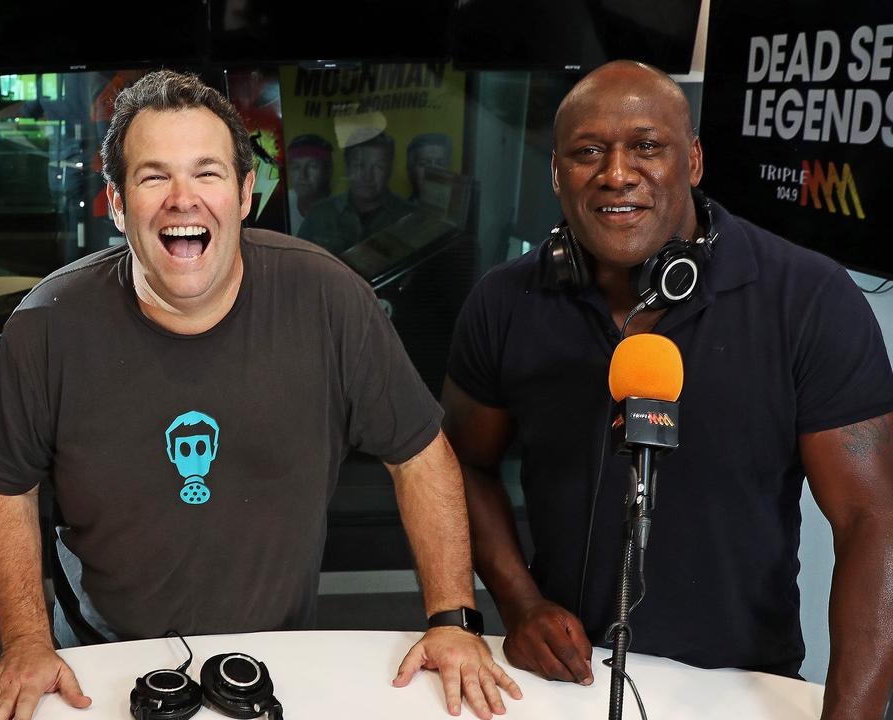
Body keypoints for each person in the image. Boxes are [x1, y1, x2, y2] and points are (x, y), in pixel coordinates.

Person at [0, 69, 521, 720]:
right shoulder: (47, 324)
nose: (183, 199)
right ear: (115, 202)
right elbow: (5, 484)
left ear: (245, 191)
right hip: (94, 664)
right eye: (153, 176)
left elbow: (421, 456)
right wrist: (27, 640)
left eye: (207, 172)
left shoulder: (330, 300)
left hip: (279, 659)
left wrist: (453, 619)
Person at [442, 60, 893, 719]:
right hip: (564, 682)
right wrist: (520, 602)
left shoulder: (808, 298)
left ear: (695, 160)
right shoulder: (505, 302)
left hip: (742, 686)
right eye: (588, 151)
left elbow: (871, 520)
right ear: (557, 173)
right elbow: (462, 463)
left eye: (647, 146)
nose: (617, 173)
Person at [299, 131, 414, 255]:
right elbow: (299, 263)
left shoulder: (411, 217)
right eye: (359, 165)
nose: (368, 176)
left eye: (378, 167)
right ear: (347, 168)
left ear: (390, 170)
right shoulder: (319, 215)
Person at [285, 133, 333, 233]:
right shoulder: (282, 203)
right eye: (296, 167)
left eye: (313, 166)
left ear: (328, 171)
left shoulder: (344, 214)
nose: (303, 176)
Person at [406, 133, 452, 204]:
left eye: (440, 164)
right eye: (424, 164)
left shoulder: (460, 211)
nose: (433, 170)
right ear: (411, 170)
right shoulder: (402, 213)